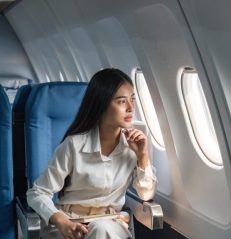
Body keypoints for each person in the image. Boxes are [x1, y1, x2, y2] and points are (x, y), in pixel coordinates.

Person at [27, 68, 158, 239]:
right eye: (121, 102)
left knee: (101, 228)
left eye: (132, 99)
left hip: (111, 224)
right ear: (101, 105)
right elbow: (37, 193)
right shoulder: (74, 144)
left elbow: (146, 195)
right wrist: (62, 222)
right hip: (70, 224)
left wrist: (142, 156)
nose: (130, 108)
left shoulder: (138, 140)